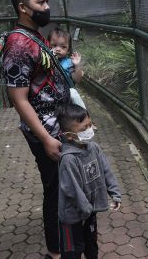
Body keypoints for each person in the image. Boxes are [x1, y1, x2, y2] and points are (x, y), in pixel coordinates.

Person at [1, 0, 71, 259]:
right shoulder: (18, 44)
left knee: (61, 186)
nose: (46, 7)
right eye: (40, 2)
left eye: (47, 1)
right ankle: (55, 252)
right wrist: (45, 138)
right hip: (45, 131)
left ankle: (65, 238)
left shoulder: (34, 35)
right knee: (54, 190)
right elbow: (18, 99)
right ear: (23, 7)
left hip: (56, 124)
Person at [56, 103, 121, 259]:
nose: (89, 130)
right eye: (83, 129)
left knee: (91, 246)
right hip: (72, 218)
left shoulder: (94, 148)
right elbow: (73, 190)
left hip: (89, 212)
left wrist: (115, 193)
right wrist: (86, 211)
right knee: (72, 252)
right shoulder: (69, 160)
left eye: (90, 125)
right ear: (69, 135)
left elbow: (106, 171)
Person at [48, 27, 86, 109]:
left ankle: (85, 117)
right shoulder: (45, 60)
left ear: (68, 50)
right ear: (48, 45)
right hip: (51, 95)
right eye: (54, 45)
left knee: (73, 93)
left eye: (63, 47)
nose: (58, 49)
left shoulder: (69, 63)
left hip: (66, 94)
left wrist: (77, 65)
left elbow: (77, 79)